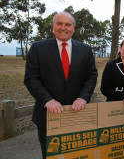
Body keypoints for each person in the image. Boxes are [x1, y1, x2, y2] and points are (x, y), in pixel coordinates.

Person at [24, 11, 98, 159]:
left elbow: (91, 76)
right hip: (47, 116)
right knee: (51, 155)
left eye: (68, 24)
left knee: (76, 155)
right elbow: (31, 78)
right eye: (59, 23)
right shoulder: (38, 48)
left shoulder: (85, 50)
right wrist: (47, 100)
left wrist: (83, 98)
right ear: (53, 26)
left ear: (74, 28)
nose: (63, 28)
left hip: (76, 114)